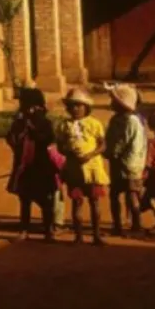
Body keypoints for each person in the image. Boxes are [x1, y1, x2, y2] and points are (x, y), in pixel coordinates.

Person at [6, 88, 64, 242]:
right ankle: (24, 230)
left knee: (46, 201)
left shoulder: (44, 123)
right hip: (25, 167)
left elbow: (48, 139)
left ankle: (48, 230)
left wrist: (33, 130)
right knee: (25, 200)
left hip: (42, 167)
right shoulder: (19, 122)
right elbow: (11, 139)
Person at [58, 87, 110, 245]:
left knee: (94, 201)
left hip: (92, 168)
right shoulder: (63, 125)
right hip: (74, 170)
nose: (75, 108)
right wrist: (70, 152)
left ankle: (96, 234)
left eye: (79, 105)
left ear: (86, 107)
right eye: (72, 105)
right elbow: (60, 146)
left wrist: (90, 155)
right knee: (77, 202)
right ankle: (78, 235)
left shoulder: (94, 124)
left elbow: (103, 145)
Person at [105, 84, 148, 236]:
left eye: (113, 100)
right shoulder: (125, 119)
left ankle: (133, 224)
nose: (110, 103)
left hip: (127, 164)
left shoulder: (129, 121)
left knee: (127, 195)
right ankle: (125, 224)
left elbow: (122, 142)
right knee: (127, 194)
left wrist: (111, 152)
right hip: (128, 164)